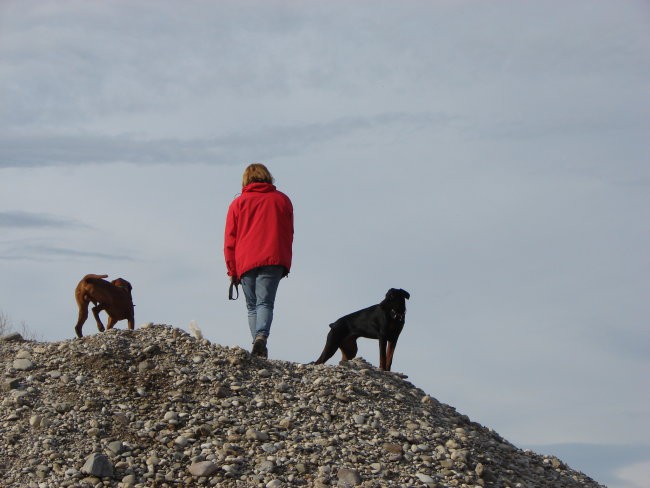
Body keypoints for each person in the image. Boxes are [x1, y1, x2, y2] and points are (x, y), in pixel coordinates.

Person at [224, 163, 294, 358]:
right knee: (265, 303)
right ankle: (260, 338)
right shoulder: (282, 201)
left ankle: (257, 342)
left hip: (245, 261)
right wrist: (285, 262)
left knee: (252, 305)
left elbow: (230, 238)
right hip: (273, 258)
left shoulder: (238, 203)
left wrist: (231, 269)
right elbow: (289, 233)